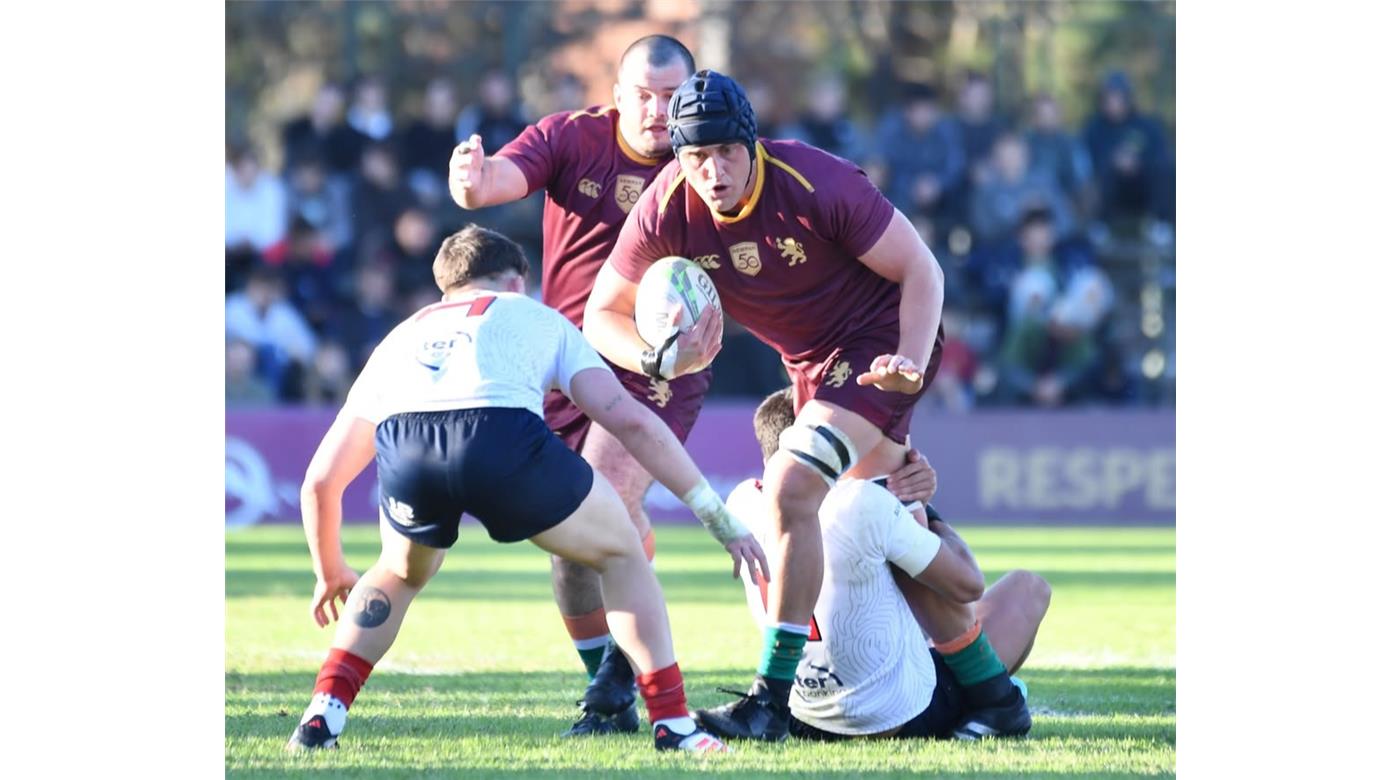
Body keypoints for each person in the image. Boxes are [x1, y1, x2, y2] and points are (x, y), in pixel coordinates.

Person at [583, 69, 962, 741]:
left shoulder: (816, 182)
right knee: (876, 508)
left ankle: (770, 701)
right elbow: (600, 314)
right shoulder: (669, 205)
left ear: (752, 143)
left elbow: (921, 269)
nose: (713, 170)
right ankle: (987, 687)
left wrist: (906, 356)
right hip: (813, 368)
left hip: (881, 343)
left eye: (726, 151)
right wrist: (655, 358)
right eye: (696, 156)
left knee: (790, 486)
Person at [447, 36, 795, 736]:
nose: (660, 111)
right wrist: (471, 185)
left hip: (659, 365)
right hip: (563, 364)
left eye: (673, 96)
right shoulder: (571, 138)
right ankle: (611, 673)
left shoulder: (708, 158)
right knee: (569, 546)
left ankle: (611, 694)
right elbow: (498, 183)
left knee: (601, 500)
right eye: (644, 94)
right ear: (618, 90)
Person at [285, 224, 741, 754]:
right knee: (622, 552)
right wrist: (715, 515)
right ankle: (673, 724)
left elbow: (320, 482)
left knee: (397, 571)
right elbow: (629, 421)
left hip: (408, 445)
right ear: (518, 281)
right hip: (500, 435)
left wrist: (330, 570)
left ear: (446, 289)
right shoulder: (535, 315)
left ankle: (322, 715)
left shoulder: (400, 336)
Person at [729, 387, 1046, 740]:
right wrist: (919, 506)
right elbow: (967, 585)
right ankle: (993, 695)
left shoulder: (741, 503)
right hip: (890, 715)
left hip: (801, 710)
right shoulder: (863, 504)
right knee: (1028, 588)